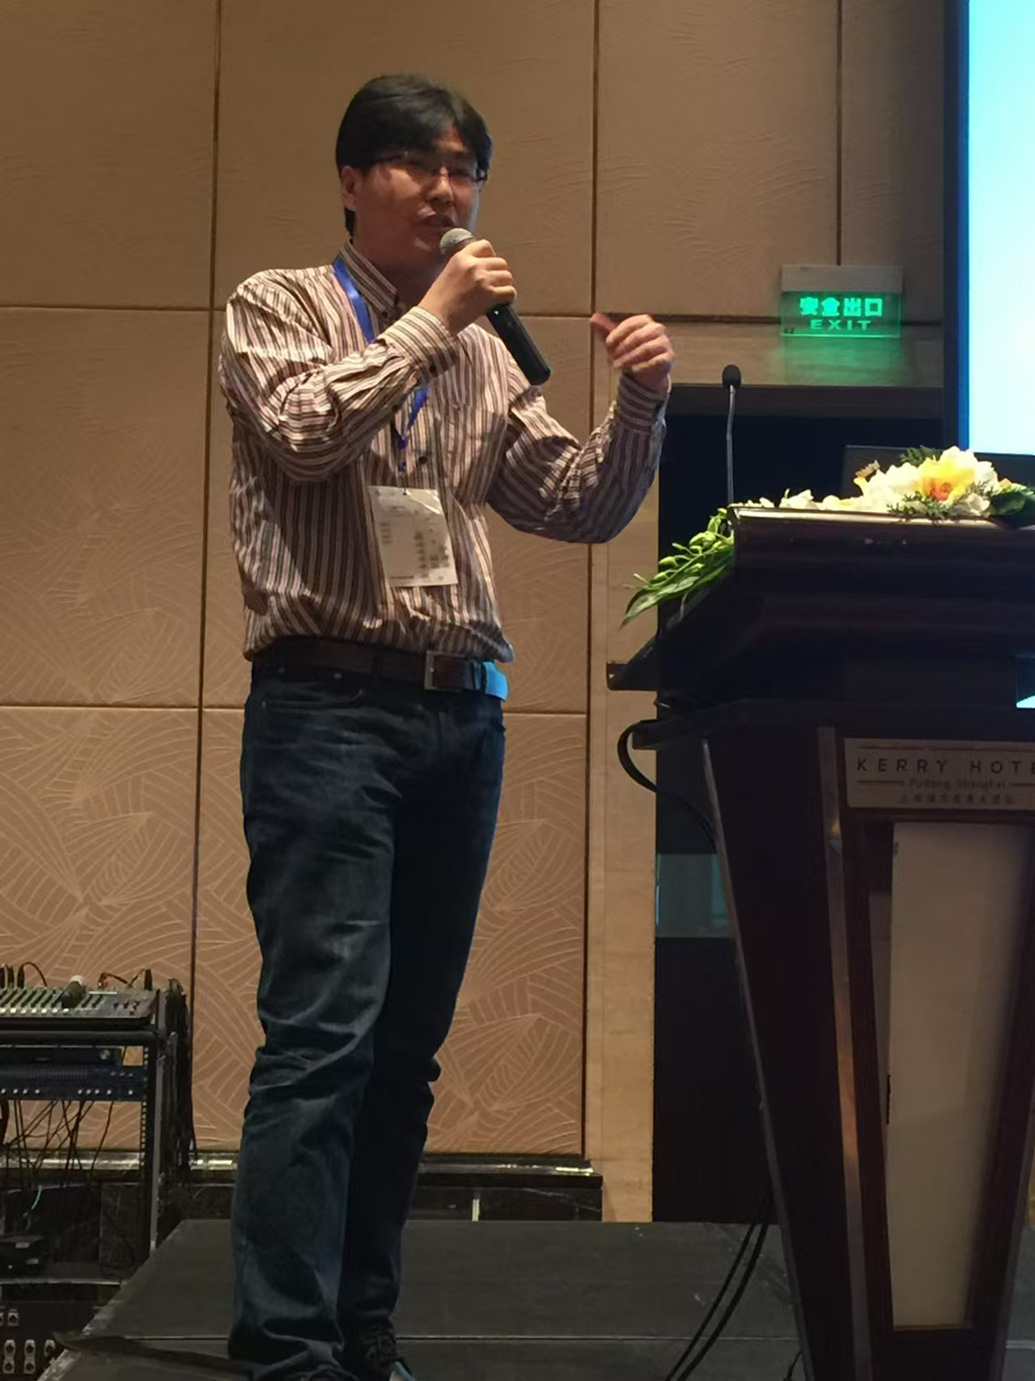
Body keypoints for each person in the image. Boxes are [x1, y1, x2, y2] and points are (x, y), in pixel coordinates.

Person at [219, 73, 674, 1381]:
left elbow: (576, 502)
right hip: (326, 709)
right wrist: (432, 321)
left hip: (459, 717)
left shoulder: (481, 351)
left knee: (404, 1052)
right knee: (324, 1035)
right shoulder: (277, 306)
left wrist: (641, 403)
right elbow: (306, 433)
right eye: (419, 165)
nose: (447, 191)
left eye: (465, 169)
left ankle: (363, 1327)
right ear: (352, 180)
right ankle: (286, 1346)